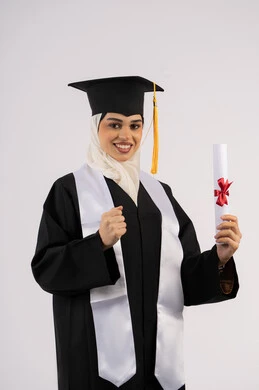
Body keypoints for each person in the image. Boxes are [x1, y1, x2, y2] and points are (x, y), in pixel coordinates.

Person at [31, 76, 241, 390]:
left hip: (158, 364)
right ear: (96, 127)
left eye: (135, 125)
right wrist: (98, 243)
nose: (126, 135)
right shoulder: (70, 190)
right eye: (114, 125)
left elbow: (186, 278)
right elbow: (46, 269)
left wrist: (220, 259)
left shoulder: (160, 195)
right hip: (95, 361)